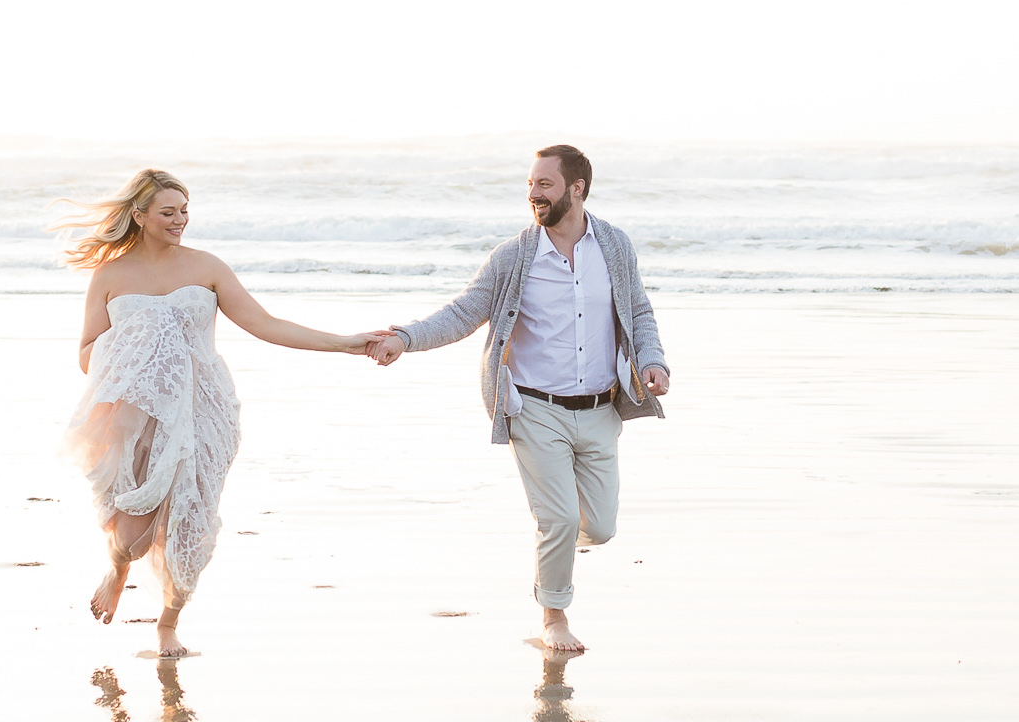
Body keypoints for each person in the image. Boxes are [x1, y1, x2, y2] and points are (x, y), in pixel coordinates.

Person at [58, 168, 377, 657]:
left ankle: (168, 623)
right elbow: (86, 352)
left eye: (185, 211)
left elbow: (265, 324)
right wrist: (136, 354)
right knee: (132, 536)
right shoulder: (111, 275)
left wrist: (345, 344)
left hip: (204, 409)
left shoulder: (206, 267)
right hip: (134, 414)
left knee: (193, 519)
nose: (180, 220)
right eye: (168, 212)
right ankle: (118, 570)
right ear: (139, 216)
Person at [368, 145, 668, 653]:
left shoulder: (614, 246)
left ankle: (553, 544)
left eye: (545, 185)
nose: (533, 194)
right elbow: (463, 313)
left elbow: (637, 310)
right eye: (531, 184)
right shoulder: (514, 257)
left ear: (577, 188)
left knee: (599, 526)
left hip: (600, 409)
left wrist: (654, 360)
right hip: (534, 408)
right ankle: (554, 616)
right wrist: (405, 337)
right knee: (560, 518)